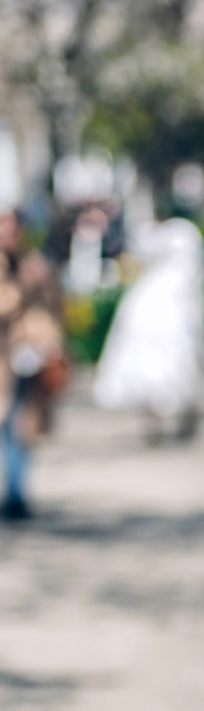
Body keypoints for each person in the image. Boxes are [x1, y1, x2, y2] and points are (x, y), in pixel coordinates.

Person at [93, 207, 204, 442]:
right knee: (165, 367)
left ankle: (163, 418)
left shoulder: (169, 243)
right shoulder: (184, 238)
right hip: (164, 311)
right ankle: (163, 418)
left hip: (161, 310)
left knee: (162, 367)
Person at [0, 211, 66, 520]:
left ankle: (16, 494)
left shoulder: (33, 264)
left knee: (20, 427)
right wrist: (19, 289)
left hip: (26, 359)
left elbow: (54, 305)